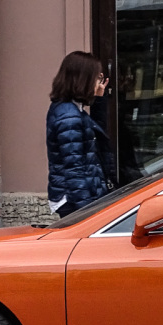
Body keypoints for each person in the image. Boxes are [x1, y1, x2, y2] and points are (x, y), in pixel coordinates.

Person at [46, 51, 113, 216]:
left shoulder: (72, 109)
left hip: (78, 194)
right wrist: (87, 211)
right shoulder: (69, 116)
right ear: (83, 78)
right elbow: (74, 168)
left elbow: (96, 136)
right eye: (96, 78)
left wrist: (99, 99)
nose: (98, 82)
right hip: (73, 200)